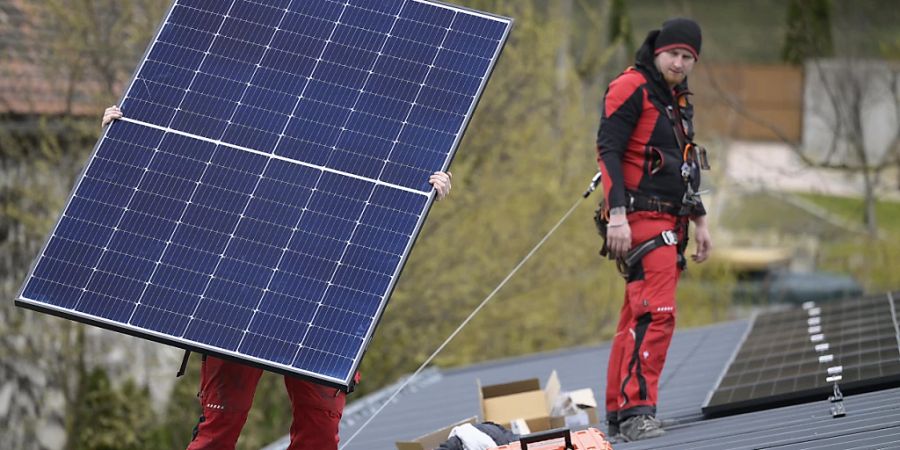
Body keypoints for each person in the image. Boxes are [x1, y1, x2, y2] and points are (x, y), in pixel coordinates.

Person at [102, 106, 453, 449]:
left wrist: (423, 193)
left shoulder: (367, 134)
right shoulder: (247, 121)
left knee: (318, 436)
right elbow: (182, 174)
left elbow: (388, 203)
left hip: (323, 305)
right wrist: (129, 139)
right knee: (219, 429)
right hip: (236, 295)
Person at [594, 18, 712, 442]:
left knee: (635, 316)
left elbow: (681, 164)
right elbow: (607, 149)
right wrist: (619, 214)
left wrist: (699, 218)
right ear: (658, 51)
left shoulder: (674, 98)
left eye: (687, 57)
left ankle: (617, 411)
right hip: (641, 217)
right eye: (674, 54)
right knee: (657, 314)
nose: (679, 63)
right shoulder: (631, 87)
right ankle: (638, 412)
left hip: (671, 217)